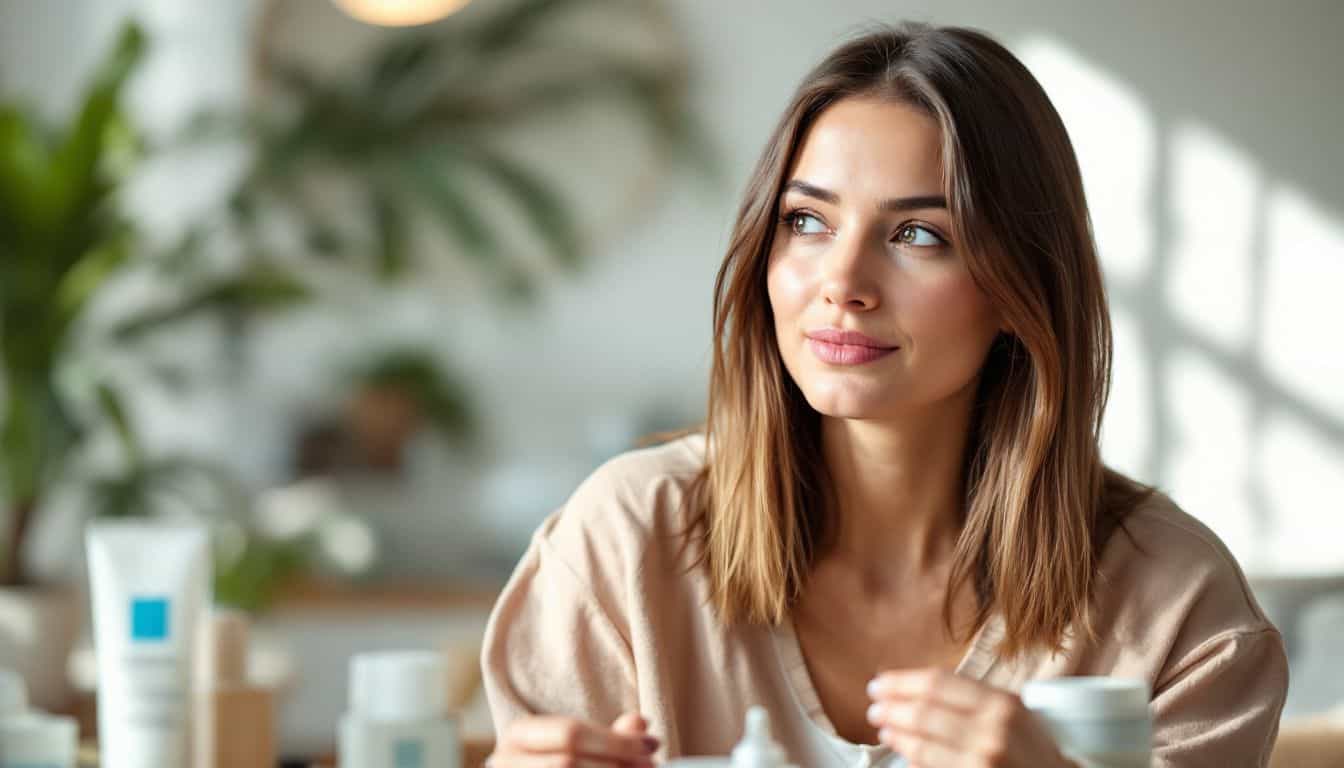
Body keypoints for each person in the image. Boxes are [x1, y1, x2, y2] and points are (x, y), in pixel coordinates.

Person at [480, 22, 1288, 768]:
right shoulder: (625, 544)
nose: (842, 283)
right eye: (806, 221)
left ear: (1020, 290)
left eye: (918, 235)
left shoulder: (1177, 609)